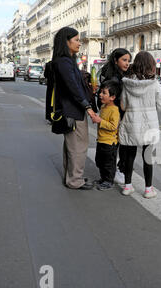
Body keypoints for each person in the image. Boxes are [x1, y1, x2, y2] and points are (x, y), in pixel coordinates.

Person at [52, 26, 97, 190]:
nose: (79, 43)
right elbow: (73, 88)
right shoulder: (64, 62)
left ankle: (72, 177)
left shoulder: (66, 61)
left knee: (72, 146)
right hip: (73, 110)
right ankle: (75, 180)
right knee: (78, 146)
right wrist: (88, 107)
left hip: (71, 109)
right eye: (76, 40)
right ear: (67, 41)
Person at [119, 51, 161, 199]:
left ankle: (127, 186)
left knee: (129, 156)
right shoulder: (154, 84)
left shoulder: (126, 83)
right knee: (148, 158)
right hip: (149, 124)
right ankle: (148, 189)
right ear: (151, 65)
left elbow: (123, 106)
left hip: (131, 122)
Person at [99, 48, 132, 186]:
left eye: (129, 61)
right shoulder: (115, 78)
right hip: (116, 116)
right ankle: (114, 174)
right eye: (124, 60)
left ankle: (112, 173)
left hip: (112, 115)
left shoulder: (115, 74)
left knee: (114, 147)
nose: (127, 63)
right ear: (115, 60)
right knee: (115, 147)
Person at [93, 80, 121, 191]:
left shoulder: (114, 110)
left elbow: (113, 126)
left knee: (108, 163)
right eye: (101, 92)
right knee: (99, 161)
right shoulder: (104, 107)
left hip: (110, 143)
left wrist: (100, 121)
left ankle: (109, 181)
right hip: (101, 140)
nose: (100, 94)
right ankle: (103, 178)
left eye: (104, 93)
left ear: (112, 97)